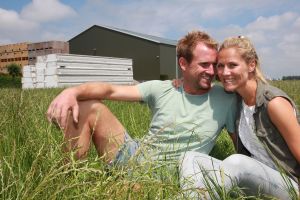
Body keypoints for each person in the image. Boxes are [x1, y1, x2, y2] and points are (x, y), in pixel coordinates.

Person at [46, 30, 237, 168]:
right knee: (89, 106)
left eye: (214, 65)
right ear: (183, 64)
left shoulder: (225, 99)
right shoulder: (161, 88)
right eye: (204, 64)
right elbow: (110, 91)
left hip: (174, 172)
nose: (211, 71)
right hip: (134, 155)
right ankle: (71, 177)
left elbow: (240, 148)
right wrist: (71, 92)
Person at [180, 36, 300, 199]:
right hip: (254, 179)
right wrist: (181, 81)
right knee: (190, 158)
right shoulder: (236, 100)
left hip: (289, 186)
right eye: (220, 66)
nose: (224, 72)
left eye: (232, 65)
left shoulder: (274, 103)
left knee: (237, 162)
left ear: (251, 65)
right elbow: (199, 85)